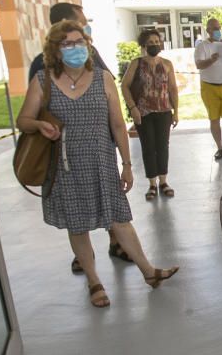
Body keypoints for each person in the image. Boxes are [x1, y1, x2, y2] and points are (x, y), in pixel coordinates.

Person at [16, 21, 179, 308]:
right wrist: (40, 124)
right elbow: (23, 120)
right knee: (77, 227)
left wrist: (127, 164)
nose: (76, 48)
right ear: (55, 49)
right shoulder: (42, 81)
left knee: (120, 220)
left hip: (102, 162)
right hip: (65, 167)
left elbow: (117, 124)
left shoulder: (103, 78)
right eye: (68, 44)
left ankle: (148, 271)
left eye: (81, 42)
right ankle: (94, 281)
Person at [26, 2, 128, 272]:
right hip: (65, 155)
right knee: (76, 213)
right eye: (81, 22)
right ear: (63, 23)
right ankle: (86, 261)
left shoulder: (90, 55)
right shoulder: (42, 66)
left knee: (110, 204)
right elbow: (32, 110)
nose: (84, 31)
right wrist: (40, 124)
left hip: (98, 150)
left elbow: (107, 86)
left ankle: (116, 243)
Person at [121, 29, 179, 200]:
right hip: (143, 112)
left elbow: (173, 89)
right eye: (150, 42)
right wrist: (133, 108)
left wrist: (176, 112)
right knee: (148, 147)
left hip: (164, 111)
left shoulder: (167, 64)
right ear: (144, 45)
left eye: (156, 42)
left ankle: (163, 181)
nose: (154, 45)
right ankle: (152, 184)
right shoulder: (136, 63)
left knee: (163, 146)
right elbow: (124, 86)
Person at [194, 17, 222, 160]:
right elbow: (199, 65)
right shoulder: (202, 46)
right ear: (208, 30)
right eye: (214, 28)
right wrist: (211, 60)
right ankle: (219, 148)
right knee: (214, 119)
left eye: (219, 28)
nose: (218, 31)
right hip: (209, 87)